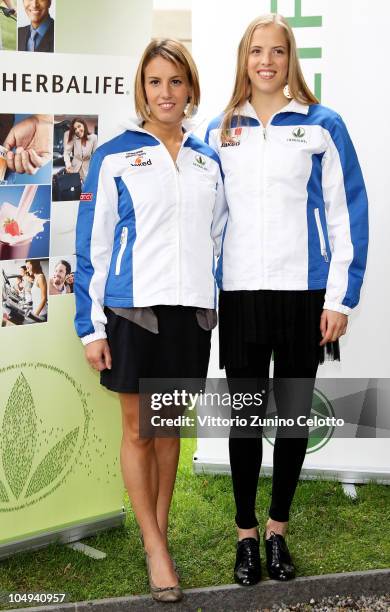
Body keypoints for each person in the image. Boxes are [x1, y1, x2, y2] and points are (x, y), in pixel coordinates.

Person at [206, 13, 368, 586]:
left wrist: (342, 298)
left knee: (293, 417)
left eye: (277, 51)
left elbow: (348, 214)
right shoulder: (220, 129)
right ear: (244, 60)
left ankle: (278, 530)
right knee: (246, 419)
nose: (267, 61)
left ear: (291, 58)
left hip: (305, 296)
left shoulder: (323, 125)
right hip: (243, 296)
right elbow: (210, 221)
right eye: (257, 51)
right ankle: (246, 536)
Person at [74, 39, 225, 603]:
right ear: (142, 86)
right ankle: (156, 547)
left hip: (191, 315)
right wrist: (90, 328)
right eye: (156, 81)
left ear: (190, 88)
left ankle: (156, 534)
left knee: (168, 435)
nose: (166, 93)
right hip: (132, 312)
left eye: (177, 82)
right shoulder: (114, 153)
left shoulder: (208, 159)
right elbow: (93, 244)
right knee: (140, 430)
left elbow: (218, 236)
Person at [63, 118, 98, 183]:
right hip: (74, 170)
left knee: (87, 192)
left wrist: (94, 170)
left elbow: (95, 156)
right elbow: (66, 153)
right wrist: (68, 165)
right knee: (75, 191)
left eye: (79, 126)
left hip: (88, 170)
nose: (78, 130)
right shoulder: (74, 138)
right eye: (75, 129)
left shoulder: (94, 138)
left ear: (84, 125)